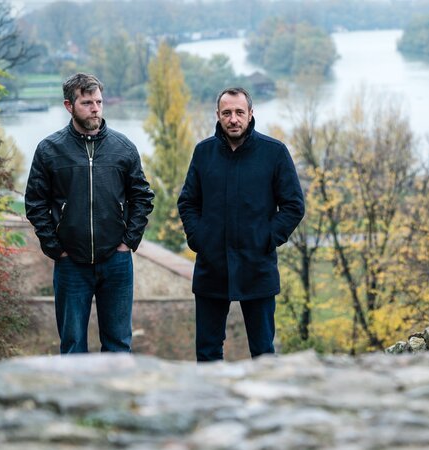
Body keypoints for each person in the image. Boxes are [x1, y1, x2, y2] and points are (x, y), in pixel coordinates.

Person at [24, 73, 154, 354]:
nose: (95, 109)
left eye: (98, 102)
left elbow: (143, 198)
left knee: (119, 345)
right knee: (72, 346)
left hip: (116, 261)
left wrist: (128, 242)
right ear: (69, 106)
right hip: (71, 263)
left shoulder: (123, 148)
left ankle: (115, 387)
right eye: (87, 103)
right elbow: (35, 203)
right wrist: (56, 249)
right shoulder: (49, 150)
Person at [178, 87, 305, 361]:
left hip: (257, 267)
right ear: (218, 115)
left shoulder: (274, 152)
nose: (233, 119)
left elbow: (294, 206)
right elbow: (188, 202)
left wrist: (266, 238)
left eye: (239, 112)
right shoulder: (203, 152)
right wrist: (199, 239)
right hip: (212, 268)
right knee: (207, 352)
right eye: (227, 113)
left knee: (263, 353)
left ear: (250, 113)